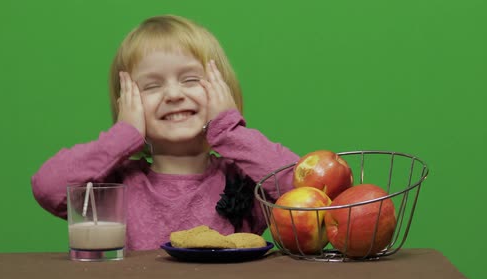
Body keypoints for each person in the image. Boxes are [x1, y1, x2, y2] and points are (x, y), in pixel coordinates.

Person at [31, 15, 299, 250]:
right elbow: (48, 187)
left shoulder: (244, 179)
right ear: (128, 103)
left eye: (191, 80)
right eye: (151, 86)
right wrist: (123, 135)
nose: (173, 94)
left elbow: (301, 189)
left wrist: (229, 130)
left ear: (222, 92)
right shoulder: (116, 186)